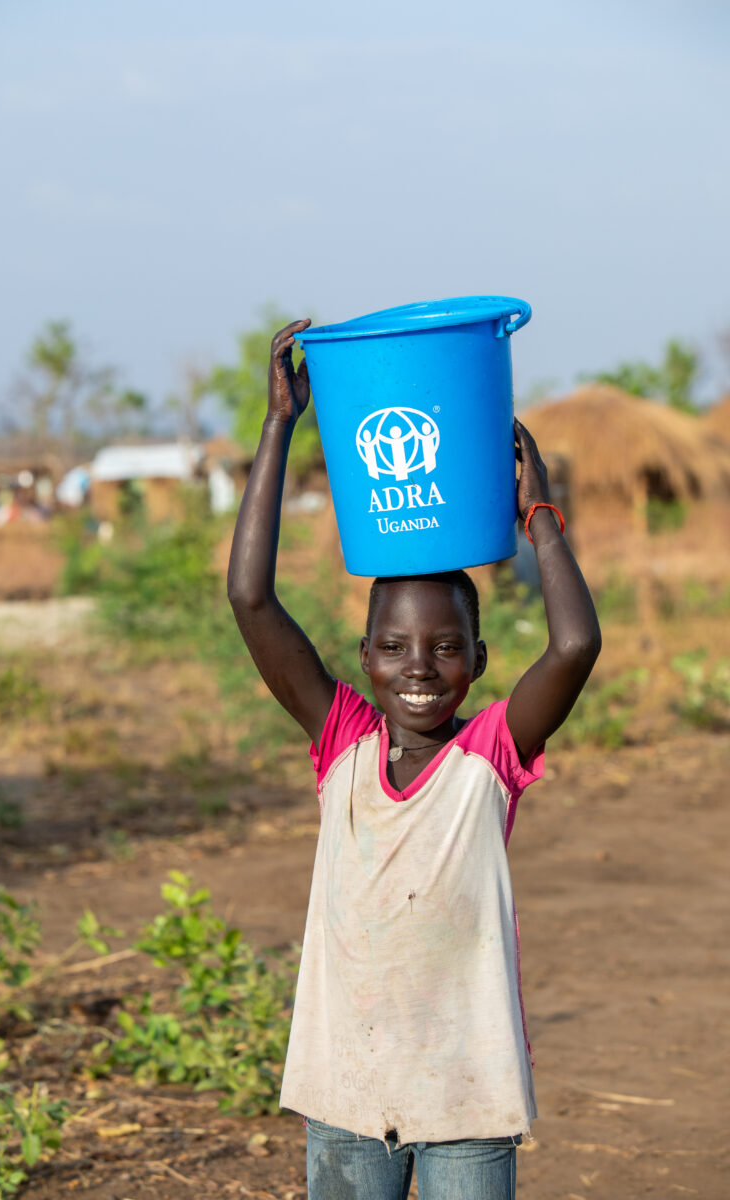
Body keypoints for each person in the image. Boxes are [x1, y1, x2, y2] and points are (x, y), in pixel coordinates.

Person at [227, 318, 602, 1200]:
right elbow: (251, 598)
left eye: (446, 647)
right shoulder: (343, 743)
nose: (420, 669)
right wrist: (280, 425)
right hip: (345, 1089)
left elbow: (576, 645)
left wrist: (539, 515)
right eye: (394, 648)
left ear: (477, 660)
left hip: (467, 1095)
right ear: (364, 659)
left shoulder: (490, 754)